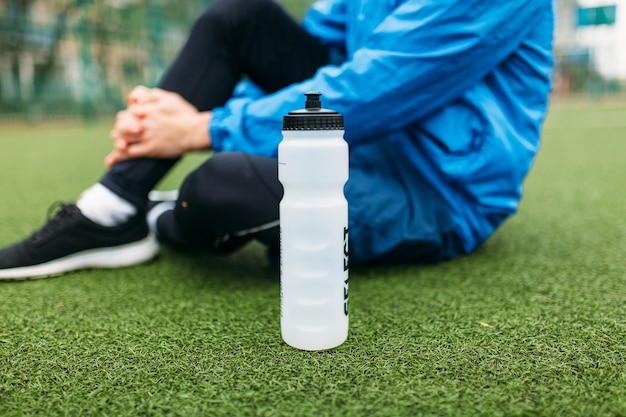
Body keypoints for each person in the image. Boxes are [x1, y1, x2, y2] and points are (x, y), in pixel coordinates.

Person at [0, 0, 555, 280]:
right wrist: (179, 118)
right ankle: (110, 209)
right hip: (349, 141)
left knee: (220, 184)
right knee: (238, 17)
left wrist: (202, 127)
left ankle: (159, 218)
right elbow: (304, 57)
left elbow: (379, 88)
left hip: (435, 193)